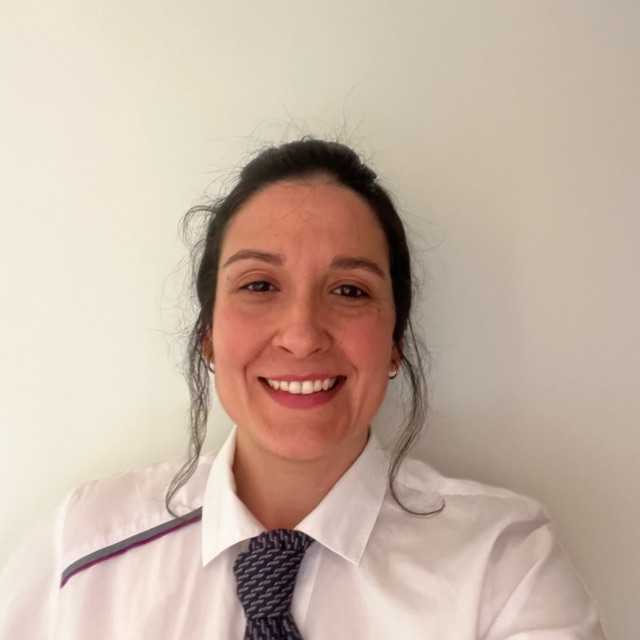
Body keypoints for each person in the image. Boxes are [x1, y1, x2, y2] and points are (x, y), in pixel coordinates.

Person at [0, 139, 606, 638]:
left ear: (394, 343)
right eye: (259, 286)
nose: (301, 335)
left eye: (350, 291)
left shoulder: (503, 566)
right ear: (208, 335)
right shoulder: (82, 551)